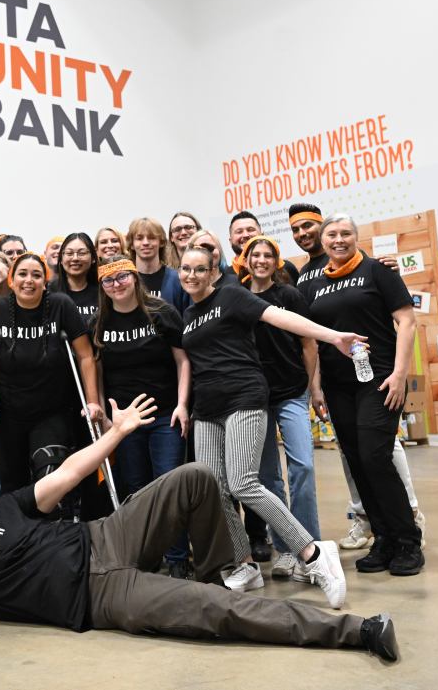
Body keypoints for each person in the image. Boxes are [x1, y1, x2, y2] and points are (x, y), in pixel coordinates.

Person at [0, 396, 400, 664]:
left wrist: (118, 433)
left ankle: (226, 567)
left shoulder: (10, 509)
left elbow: (68, 473)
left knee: (198, 476)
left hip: (106, 538)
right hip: (98, 599)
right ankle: (359, 633)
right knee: (215, 615)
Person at [178, 244, 360, 608]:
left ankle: (312, 553)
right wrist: (185, 406)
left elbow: (279, 317)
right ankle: (244, 564)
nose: (191, 275)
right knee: (215, 489)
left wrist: (332, 337)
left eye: (200, 269)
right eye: (185, 268)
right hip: (207, 409)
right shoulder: (187, 315)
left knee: (244, 482)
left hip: (244, 397)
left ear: (213, 271)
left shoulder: (230, 296)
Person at [287, 204, 426, 551]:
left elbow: (407, 322)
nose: (338, 240)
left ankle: (407, 539)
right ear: (324, 239)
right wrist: (315, 386)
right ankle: (383, 539)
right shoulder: (311, 282)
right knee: (356, 459)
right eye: (332, 235)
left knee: (375, 456)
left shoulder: (377, 270)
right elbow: (312, 339)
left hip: (379, 380)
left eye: (345, 234)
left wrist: (399, 374)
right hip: (338, 385)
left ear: (356, 237)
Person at [0, 252, 102, 515]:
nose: (28, 280)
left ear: (46, 280)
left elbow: (86, 356)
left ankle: (52, 537)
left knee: (50, 477)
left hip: (52, 412)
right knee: (14, 484)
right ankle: (22, 540)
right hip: (9, 414)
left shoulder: (61, 305)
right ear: (11, 279)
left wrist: (92, 402)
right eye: (22, 274)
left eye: (36, 275)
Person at [91, 255, 191, 577]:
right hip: (125, 422)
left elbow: (182, 361)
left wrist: (182, 404)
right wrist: (107, 417)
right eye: (109, 280)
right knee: (135, 487)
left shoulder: (162, 313)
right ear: (102, 287)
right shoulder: (99, 323)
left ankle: (177, 558)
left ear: (135, 277)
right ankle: (146, 555)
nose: (116, 284)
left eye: (122, 277)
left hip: (165, 415)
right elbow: (97, 369)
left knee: (168, 483)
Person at [238, 236, 322, 580]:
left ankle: (311, 546)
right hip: (256, 397)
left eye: (267, 255)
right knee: (269, 476)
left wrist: (314, 388)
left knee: (302, 465)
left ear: (276, 261)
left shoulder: (289, 296)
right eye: (254, 255)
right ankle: (287, 548)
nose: (260, 260)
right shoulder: (237, 298)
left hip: (291, 392)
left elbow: (309, 343)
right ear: (246, 260)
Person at [125, 216, 187, 313]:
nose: (145, 243)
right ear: (132, 244)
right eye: (139, 238)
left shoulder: (178, 279)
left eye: (151, 238)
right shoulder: (124, 281)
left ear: (161, 242)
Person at [226, 211, 300, 283]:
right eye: (239, 231)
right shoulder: (225, 278)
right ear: (230, 241)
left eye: (250, 230)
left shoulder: (286, 268)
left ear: (262, 235)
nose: (245, 235)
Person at [54, 231, 100, 320]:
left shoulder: (104, 291)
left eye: (81, 253)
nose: (75, 258)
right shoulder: (50, 291)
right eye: (69, 253)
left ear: (93, 258)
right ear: (61, 259)